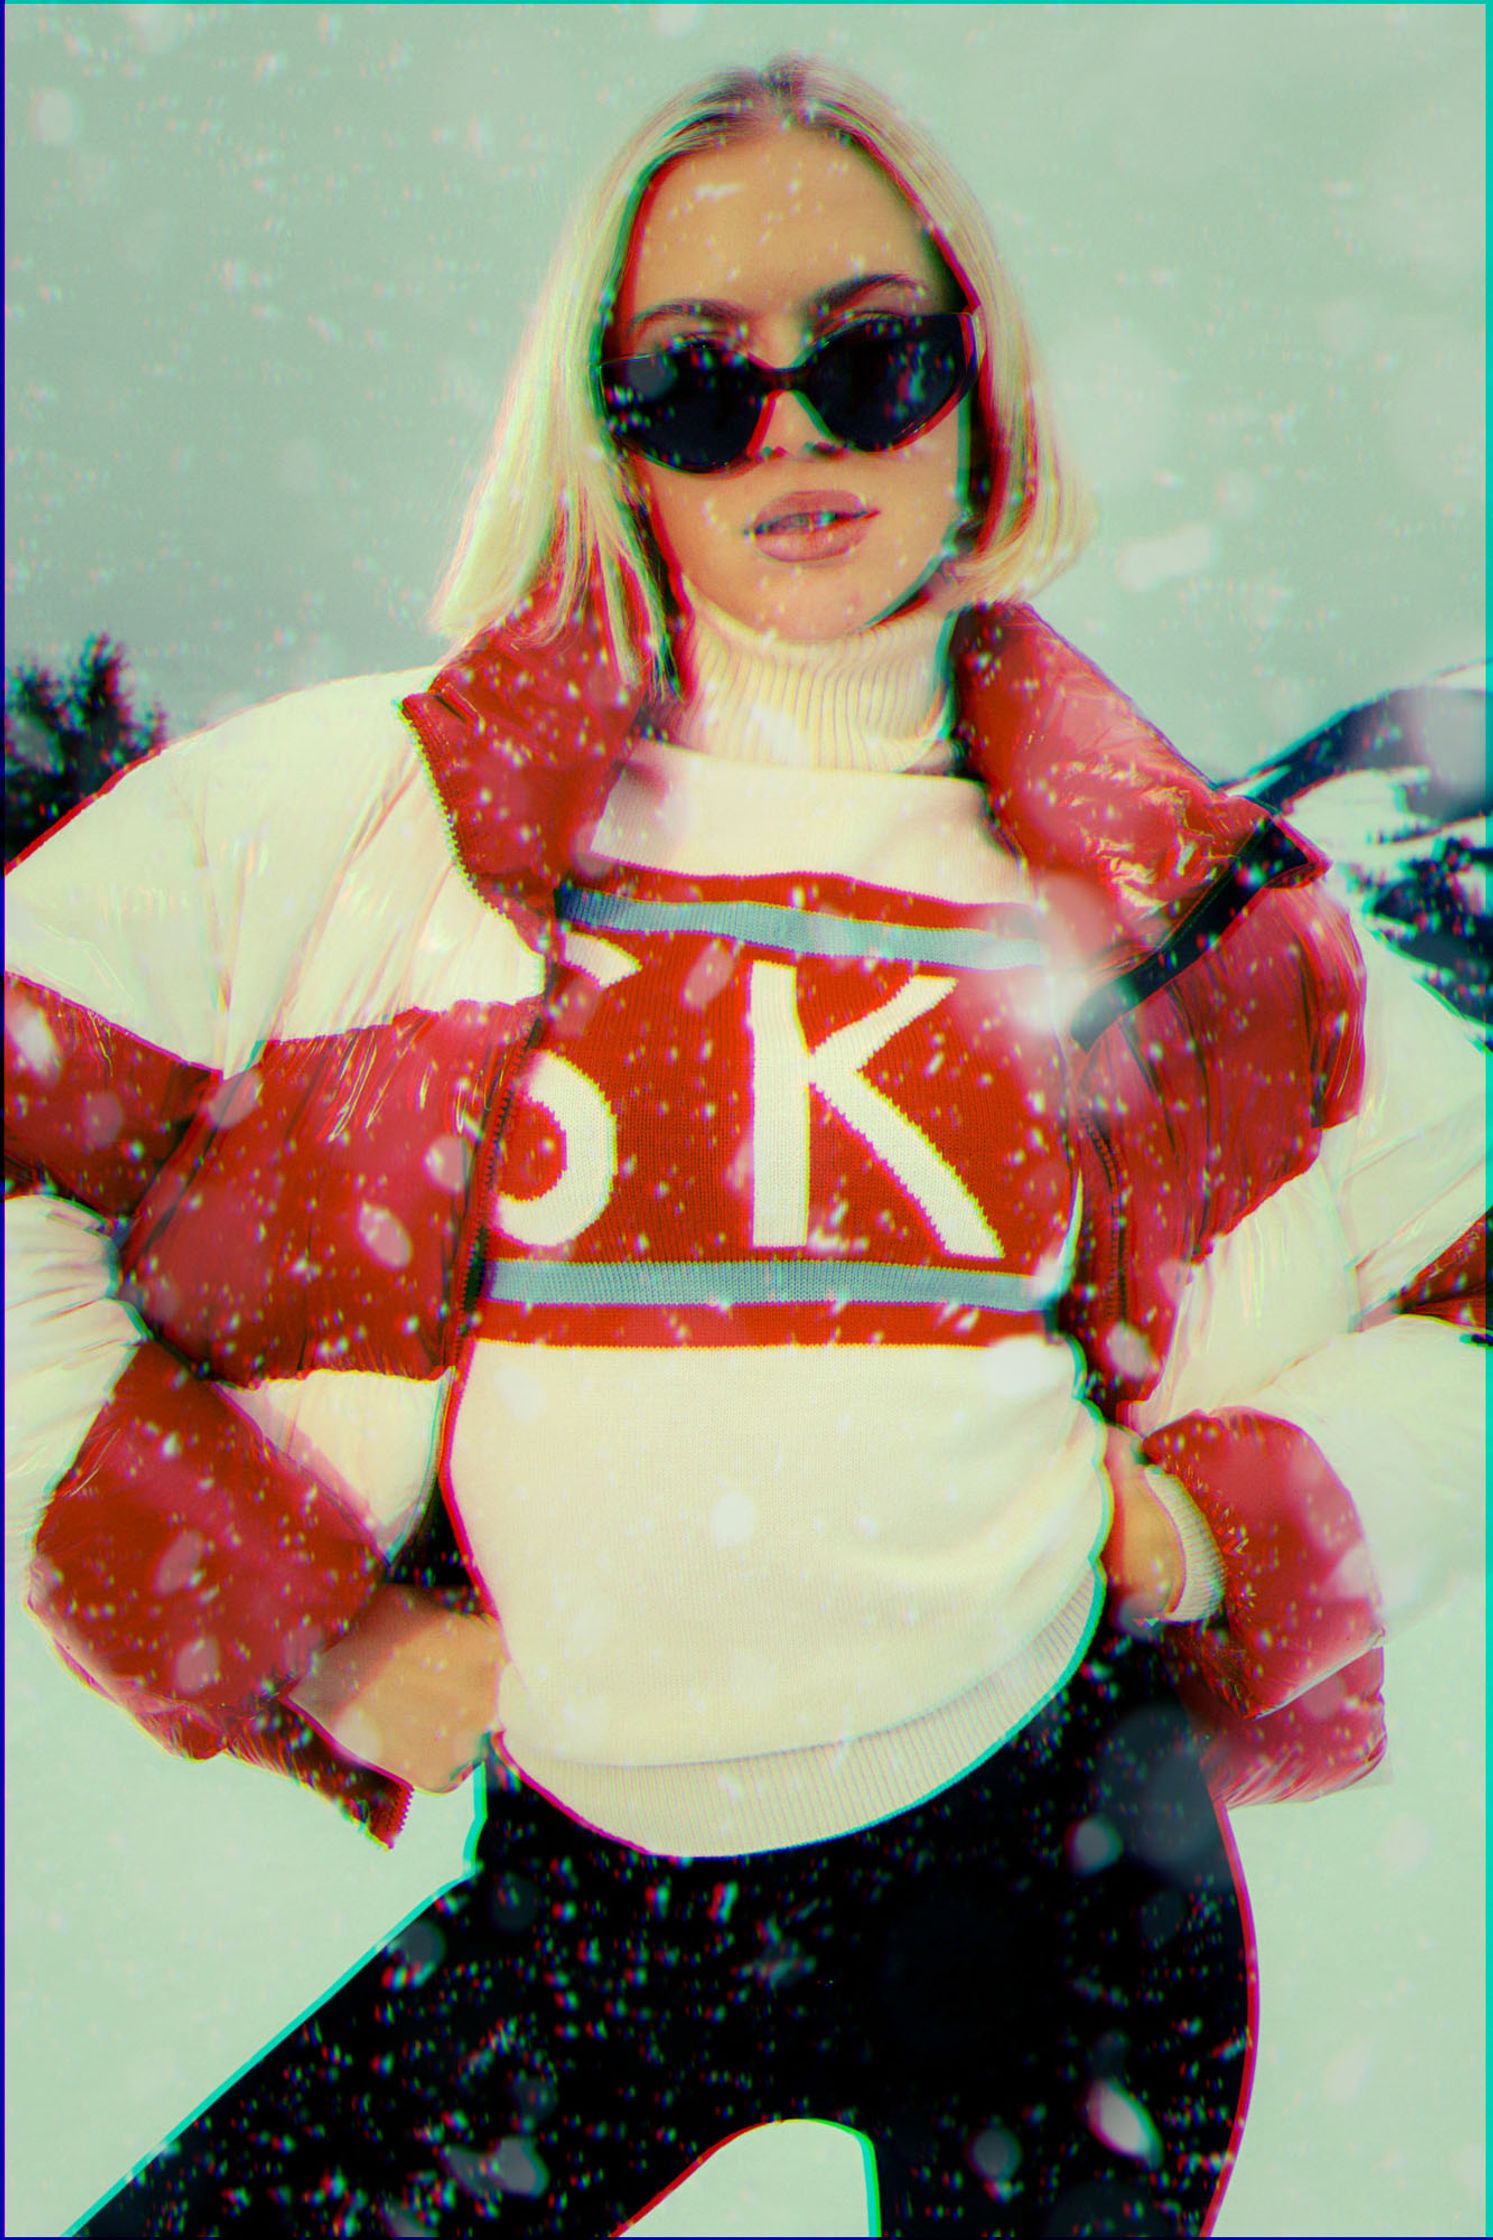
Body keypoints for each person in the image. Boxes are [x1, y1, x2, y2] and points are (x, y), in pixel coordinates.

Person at [5, 55, 1484, 2240]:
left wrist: (1200, 1530)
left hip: (1053, 1896)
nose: (793, 431)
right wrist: (311, 1627)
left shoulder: (1180, 896)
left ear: (975, 386)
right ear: (604, 434)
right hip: (591, 1902)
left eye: (868, 356)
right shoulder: (360, 816)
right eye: (698, 383)